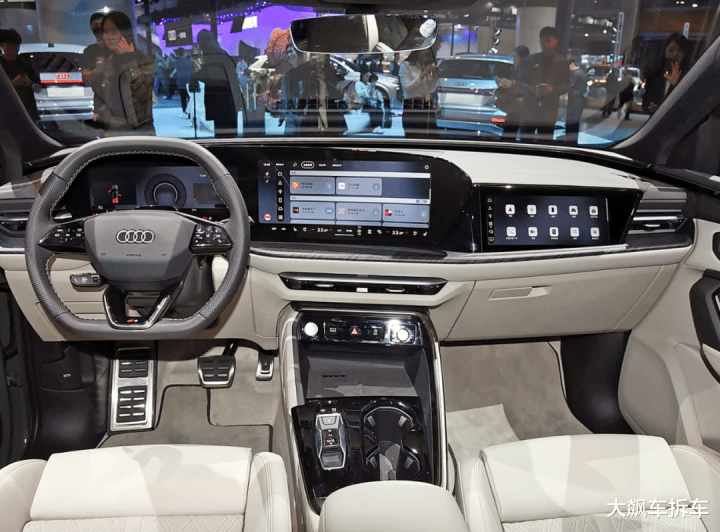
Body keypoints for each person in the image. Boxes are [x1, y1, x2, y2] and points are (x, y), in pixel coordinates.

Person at [95, 11, 155, 134]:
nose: (108, 37)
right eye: (105, 32)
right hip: (112, 130)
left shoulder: (142, 60)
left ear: (124, 33)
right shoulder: (108, 62)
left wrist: (128, 59)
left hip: (138, 131)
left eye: (114, 31)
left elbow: (142, 94)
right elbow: (103, 94)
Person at [189, 30, 245, 138]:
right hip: (226, 101)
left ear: (205, 42)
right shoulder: (219, 53)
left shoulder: (214, 55)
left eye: (200, 43)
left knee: (224, 135)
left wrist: (195, 76)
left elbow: (214, 77)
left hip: (223, 101)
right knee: (226, 135)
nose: (200, 47)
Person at [518, 26, 571, 141]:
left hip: (548, 111)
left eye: (548, 41)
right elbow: (520, 82)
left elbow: (567, 85)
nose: (545, 45)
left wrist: (553, 89)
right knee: (525, 143)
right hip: (530, 111)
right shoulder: (530, 60)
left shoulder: (562, 62)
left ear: (556, 41)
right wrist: (533, 89)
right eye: (542, 42)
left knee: (545, 143)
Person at [643, 33, 691, 114]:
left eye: (679, 51)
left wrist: (675, 85)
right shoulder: (655, 76)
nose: (675, 54)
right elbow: (646, 104)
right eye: (671, 50)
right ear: (664, 51)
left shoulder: (689, 76)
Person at [0, 28, 41, 122]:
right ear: (2, 46)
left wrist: (29, 83)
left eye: (16, 45)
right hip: (6, 112)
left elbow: (38, 88)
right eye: (10, 45)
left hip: (27, 112)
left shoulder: (26, 63)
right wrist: (12, 83)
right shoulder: (1, 65)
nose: (14, 48)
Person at [399, 48, 438, 137]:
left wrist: (435, 78)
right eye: (426, 53)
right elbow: (407, 88)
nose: (427, 55)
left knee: (431, 137)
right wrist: (421, 76)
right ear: (418, 51)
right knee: (414, 137)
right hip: (413, 106)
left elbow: (431, 89)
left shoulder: (425, 66)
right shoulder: (406, 66)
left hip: (427, 107)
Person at [81, 12, 112, 123]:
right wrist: (97, 71)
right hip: (100, 100)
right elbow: (85, 77)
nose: (98, 27)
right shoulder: (90, 51)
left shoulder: (115, 48)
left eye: (101, 24)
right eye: (95, 25)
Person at [494, 45, 530, 140]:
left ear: (521, 57)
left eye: (516, 56)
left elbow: (521, 86)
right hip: (515, 106)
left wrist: (510, 85)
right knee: (511, 132)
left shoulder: (524, 69)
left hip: (518, 106)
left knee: (510, 133)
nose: (514, 58)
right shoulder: (518, 68)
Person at [279, 44, 314, 136]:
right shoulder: (287, 74)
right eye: (287, 52)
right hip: (291, 113)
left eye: (291, 51)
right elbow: (284, 95)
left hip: (305, 113)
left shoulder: (308, 70)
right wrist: (282, 114)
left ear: (298, 53)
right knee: (289, 141)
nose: (289, 55)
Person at [565, 57, 588, 145]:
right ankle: (573, 141)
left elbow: (568, 86)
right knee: (575, 122)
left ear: (572, 64)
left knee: (571, 121)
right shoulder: (582, 73)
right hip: (579, 100)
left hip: (574, 100)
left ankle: (569, 141)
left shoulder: (576, 74)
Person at [170, 48, 193, 118]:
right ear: (184, 53)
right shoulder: (189, 62)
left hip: (180, 82)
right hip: (188, 81)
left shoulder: (176, 62)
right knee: (190, 98)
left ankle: (185, 112)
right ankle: (190, 112)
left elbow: (175, 69)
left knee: (183, 98)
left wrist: (172, 74)